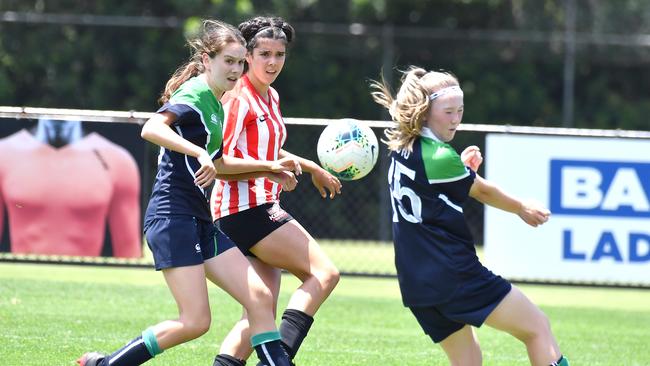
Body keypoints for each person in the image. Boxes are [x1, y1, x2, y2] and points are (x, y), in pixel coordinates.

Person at [77, 19, 298, 366]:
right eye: (229, 61)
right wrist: (196, 152)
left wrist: (269, 168)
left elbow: (220, 164)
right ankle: (106, 365)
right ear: (208, 60)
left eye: (241, 62)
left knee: (258, 298)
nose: (237, 69)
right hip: (172, 216)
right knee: (195, 322)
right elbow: (151, 128)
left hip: (198, 218)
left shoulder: (217, 101)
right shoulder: (194, 94)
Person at [370, 67, 570, 366]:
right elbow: (484, 192)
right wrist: (522, 208)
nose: (456, 119)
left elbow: (432, 193)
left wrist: (464, 172)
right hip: (454, 275)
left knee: (468, 359)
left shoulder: (403, 147)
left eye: (460, 110)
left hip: (417, 284)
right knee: (537, 328)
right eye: (448, 111)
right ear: (425, 112)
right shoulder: (438, 156)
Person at [209, 16, 342, 366]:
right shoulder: (239, 97)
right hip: (245, 209)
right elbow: (218, 161)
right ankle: (277, 360)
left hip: (252, 208)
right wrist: (270, 170)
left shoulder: (271, 96)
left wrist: (311, 166)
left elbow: (267, 149)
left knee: (259, 309)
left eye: (279, 54)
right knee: (324, 274)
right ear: (247, 56)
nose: (272, 62)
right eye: (264, 53)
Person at [0, 118, 141, 257]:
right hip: (22, 275)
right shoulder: (4, 154)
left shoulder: (117, 160)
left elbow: (129, 253)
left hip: (87, 277)